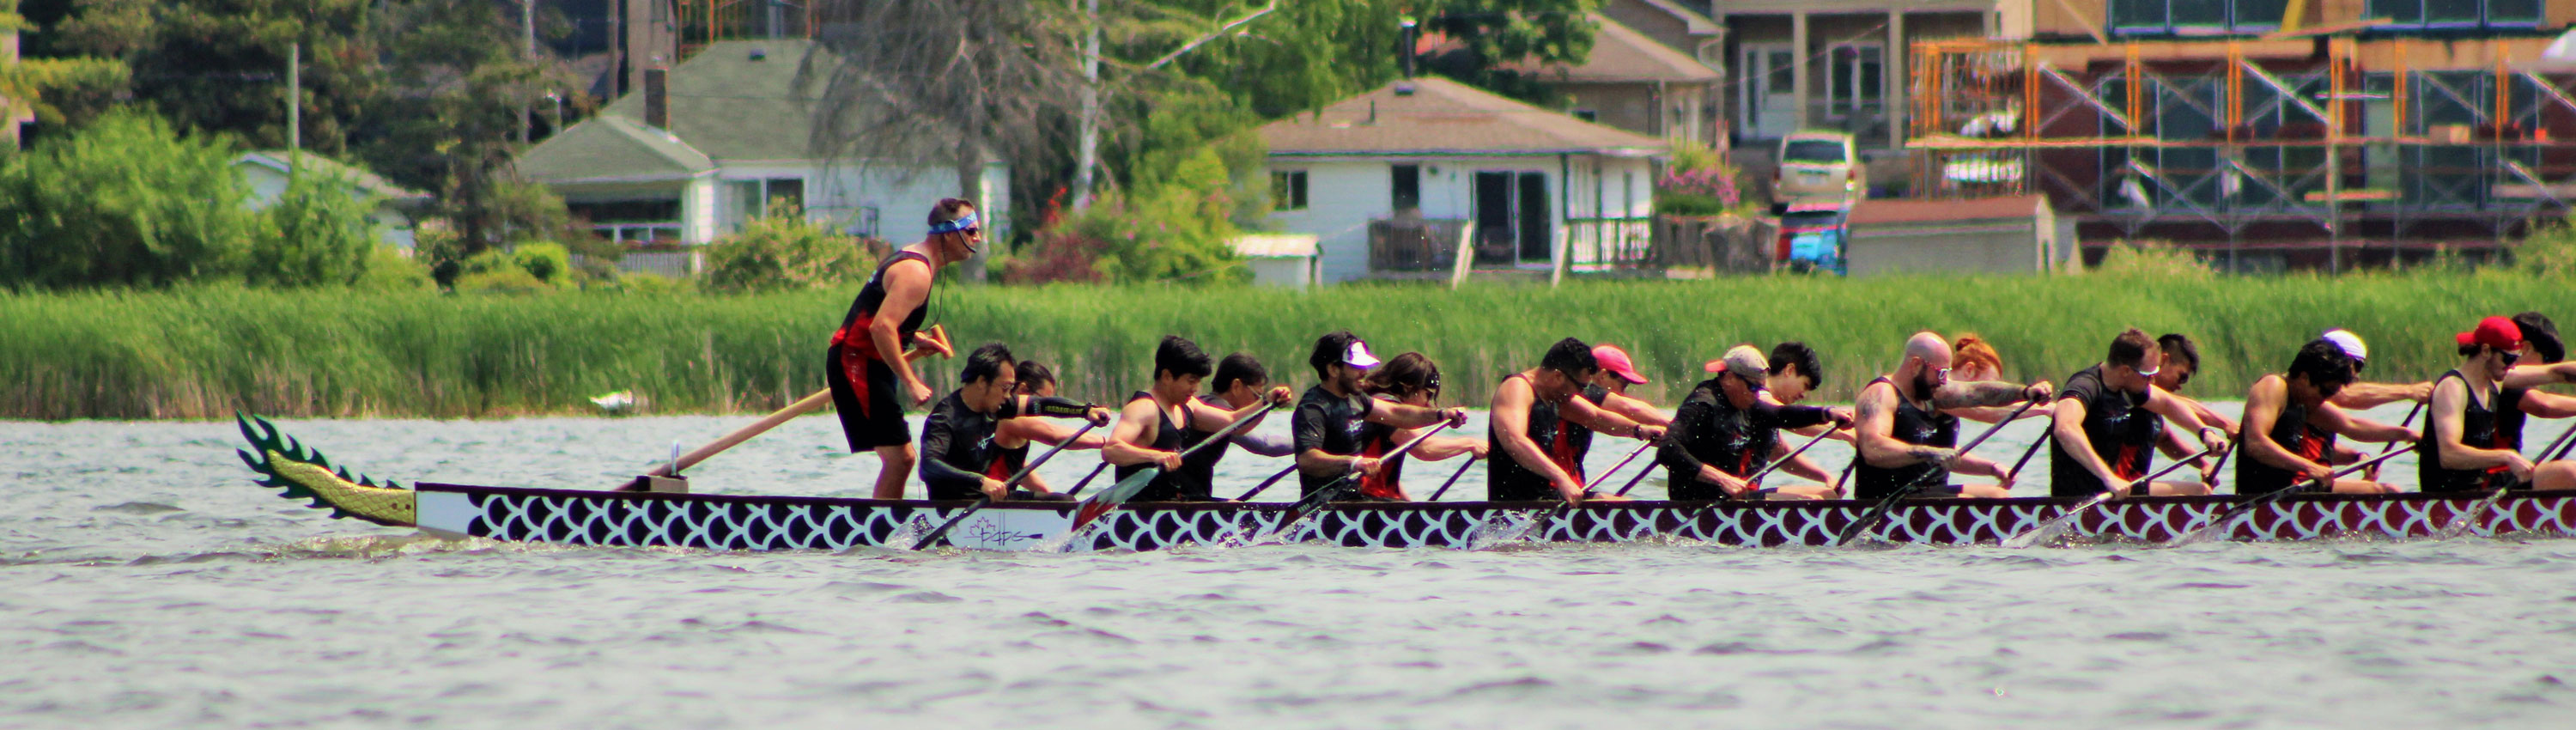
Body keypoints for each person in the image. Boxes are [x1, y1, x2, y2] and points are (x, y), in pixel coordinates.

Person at [827, 198, 978, 498]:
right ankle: (882, 533)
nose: (977, 239)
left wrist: (913, 336)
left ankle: (884, 524)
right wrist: (911, 381)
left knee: (901, 458)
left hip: (871, 360)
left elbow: (887, 320)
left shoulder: (918, 259)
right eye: (971, 231)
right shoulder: (916, 272)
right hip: (856, 361)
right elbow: (880, 327)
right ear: (949, 233)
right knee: (901, 458)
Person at [1852, 332, 2052, 500]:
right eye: (1940, 373)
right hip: (1887, 500)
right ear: (1915, 365)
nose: (1943, 381)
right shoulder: (1881, 394)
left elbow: (1979, 393)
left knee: (1999, 496)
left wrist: (2026, 393)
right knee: (1989, 498)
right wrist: (1931, 452)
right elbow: (1872, 448)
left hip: (1927, 497)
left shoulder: (1933, 393)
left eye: (1946, 374)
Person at [2045, 329, 2230, 498]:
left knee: (2200, 492)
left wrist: (2204, 432)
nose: (2152, 380)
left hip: (2112, 493)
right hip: (2079, 500)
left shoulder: (2129, 387)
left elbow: (2167, 404)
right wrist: (2109, 477)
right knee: (2197, 493)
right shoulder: (2085, 386)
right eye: (2147, 375)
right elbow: (2065, 429)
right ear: (2126, 370)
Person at [1101, 336, 1289, 502]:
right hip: (1143, 512)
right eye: (1191, 381)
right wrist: (1156, 455)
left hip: (1177, 505)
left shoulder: (1188, 405)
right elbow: (1111, 450)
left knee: (1235, 508)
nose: (1196, 388)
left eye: (1198, 381)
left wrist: (1266, 401)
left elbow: (1234, 423)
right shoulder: (1143, 409)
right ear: (1167, 376)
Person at [916, 344, 1110, 501]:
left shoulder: (999, 406)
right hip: (956, 506)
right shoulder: (945, 418)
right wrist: (981, 482)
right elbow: (928, 465)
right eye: (1005, 387)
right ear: (982, 382)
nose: (1008, 395)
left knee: (1062, 502)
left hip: (989, 500)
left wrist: (1086, 411)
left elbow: (1043, 405)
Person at [1657, 345, 1850, 501]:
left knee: (1827, 495)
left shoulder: (1748, 402)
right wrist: (1722, 479)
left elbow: (1781, 414)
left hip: (1736, 499)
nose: (1757, 394)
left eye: (1761, 388)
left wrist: (1827, 414)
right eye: (1752, 387)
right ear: (1730, 378)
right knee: (1811, 502)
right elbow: (1667, 449)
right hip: (1700, 504)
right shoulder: (1703, 405)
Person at [1293, 332, 1468, 500]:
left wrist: (1442, 414)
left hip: (1354, 500)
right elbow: (1307, 460)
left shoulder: (1356, 400)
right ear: (1333, 369)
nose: (1365, 372)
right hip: (1326, 507)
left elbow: (1396, 413)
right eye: (1356, 367)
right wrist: (1353, 463)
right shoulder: (1313, 408)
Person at [1489, 338, 1667, 503]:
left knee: (1629, 506)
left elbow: (1596, 417)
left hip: (1547, 499)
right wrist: (1561, 477)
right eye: (1581, 386)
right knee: (1622, 508)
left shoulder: (1555, 394)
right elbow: (1513, 440)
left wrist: (1639, 430)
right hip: (1514, 508)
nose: (1581, 393)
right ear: (1558, 376)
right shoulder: (1517, 389)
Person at [2238, 338, 2416, 495]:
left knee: (2388, 491)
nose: (2326, 399)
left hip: (2290, 493)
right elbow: (2255, 444)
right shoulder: (2273, 387)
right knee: (2382, 494)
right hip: (2261, 499)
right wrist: (2308, 466)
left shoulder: (2304, 401)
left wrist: (2406, 435)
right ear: (2304, 377)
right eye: (2325, 391)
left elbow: (2352, 426)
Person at [2419, 317, 2576, 492]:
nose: (2513, 366)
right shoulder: (2453, 388)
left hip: (2483, 485)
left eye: (2516, 358)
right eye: (2509, 359)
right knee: (2569, 472)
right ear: (2486, 351)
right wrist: (2506, 457)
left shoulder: (2495, 379)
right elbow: (2449, 455)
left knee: (2570, 472)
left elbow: (2556, 373)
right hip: (2449, 497)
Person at [1351, 352, 1489, 500]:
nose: (1428, 404)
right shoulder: (1386, 407)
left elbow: (1387, 478)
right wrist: (1470, 443)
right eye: (1428, 395)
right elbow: (1424, 448)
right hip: (1364, 503)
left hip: (1376, 501)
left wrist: (1411, 506)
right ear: (1408, 387)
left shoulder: (1376, 401)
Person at [1172, 353, 1297, 500]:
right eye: (1257, 396)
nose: (1257, 403)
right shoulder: (1219, 412)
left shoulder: (1205, 403)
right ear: (1236, 386)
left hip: (1190, 495)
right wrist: (1310, 443)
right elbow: (1265, 444)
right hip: (1183, 500)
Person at [989, 360, 1110, 493]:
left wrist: (1047, 493)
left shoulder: (1014, 431)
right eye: (1043, 400)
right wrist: (1106, 442)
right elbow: (1054, 435)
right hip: (988, 499)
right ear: (1022, 389)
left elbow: (1015, 465)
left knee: (1061, 500)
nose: (1044, 410)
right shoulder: (1010, 419)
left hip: (998, 497)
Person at [2497, 312, 2576, 453]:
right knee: (2570, 471)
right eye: (2546, 360)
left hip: (2507, 466)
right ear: (2525, 348)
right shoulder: (2503, 378)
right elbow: (2544, 406)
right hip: (2495, 471)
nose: (2546, 367)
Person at [2318, 328, 2433, 409]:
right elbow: (2345, 397)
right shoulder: (2314, 389)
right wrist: (2409, 391)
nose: (2356, 376)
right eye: (2357, 366)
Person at [1948, 334, 2046, 423]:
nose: (1993, 393)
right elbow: (1986, 411)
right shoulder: (1939, 388)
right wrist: (2045, 408)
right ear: (1969, 370)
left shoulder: (1952, 416)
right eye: (1989, 386)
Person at [1589, 344, 1674, 427]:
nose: (1623, 393)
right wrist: (1675, 426)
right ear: (1603, 376)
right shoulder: (1588, 393)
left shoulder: (1586, 402)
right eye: (1623, 384)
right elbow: (1629, 407)